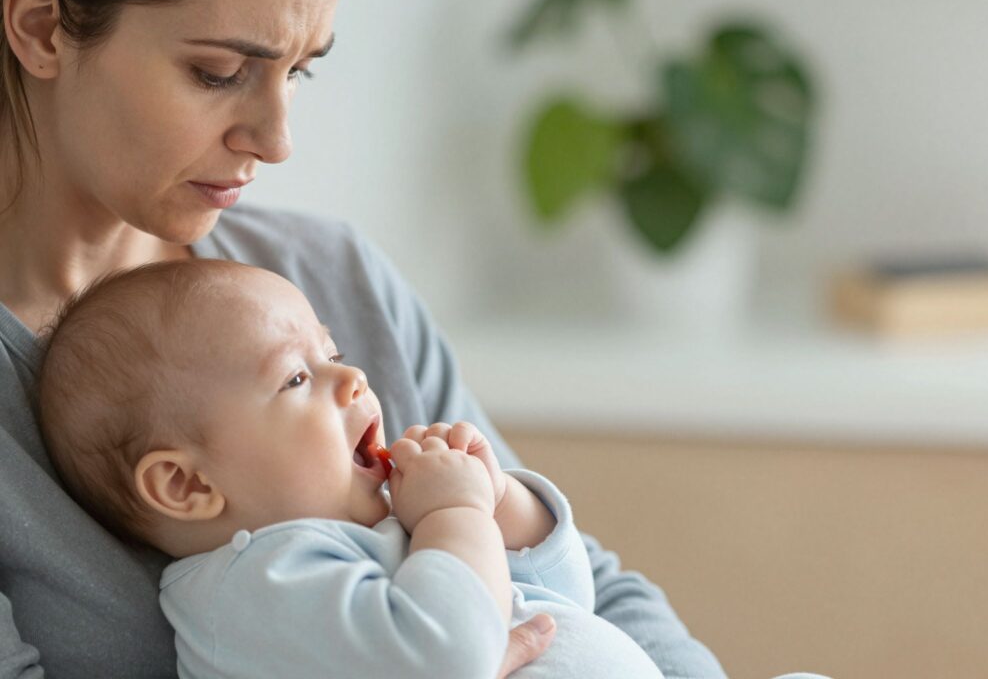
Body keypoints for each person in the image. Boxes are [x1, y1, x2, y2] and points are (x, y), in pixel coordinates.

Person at [0, 0, 727, 677]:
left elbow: (589, 585)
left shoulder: (329, 274)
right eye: (218, 72)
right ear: (43, 28)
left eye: (299, 71)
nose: (277, 140)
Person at [36, 258, 667, 679]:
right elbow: (449, 655)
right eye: (297, 377)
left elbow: (565, 601)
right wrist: (455, 514)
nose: (353, 378)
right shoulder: (256, 587)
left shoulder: (381, 530)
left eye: (333, 353)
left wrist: (500, 503)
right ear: (187, 484)